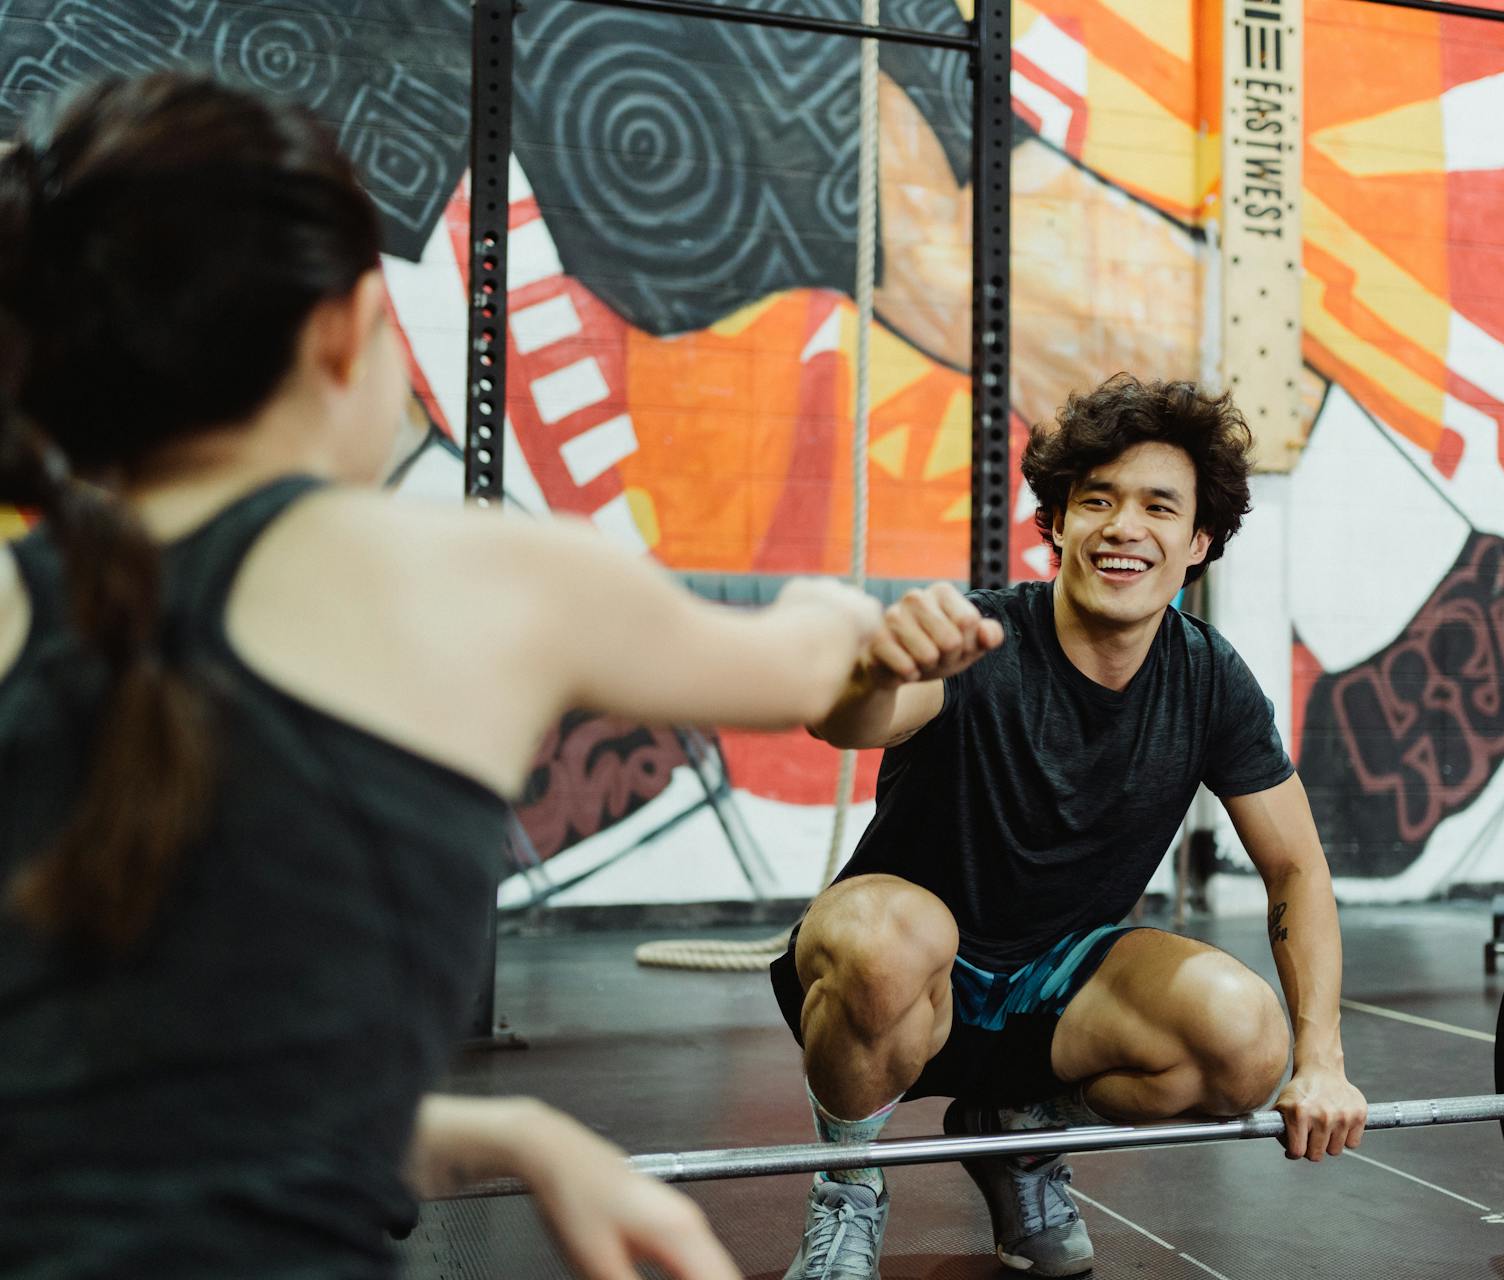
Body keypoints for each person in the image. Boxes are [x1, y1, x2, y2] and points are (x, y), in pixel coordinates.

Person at [0, 73, 882, 1279]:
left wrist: (495, 1128)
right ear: (342, 330)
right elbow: (804, 666)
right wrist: (832, 604)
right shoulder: (486, 574)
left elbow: (131, 1087)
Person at [771, 374, 1369, 1279]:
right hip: (896, 982)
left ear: (1199, 539)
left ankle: (1020, 1130)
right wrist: (878, 669)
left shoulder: (1207, 679)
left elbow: (1296, 869)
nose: (1125, 527)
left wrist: (1321, 1060)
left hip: (1056, 995)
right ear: (1056, 524)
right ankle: (849, 1185)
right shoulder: (980, 636)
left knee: (1247, 1040)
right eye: (1098, 500)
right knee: (892, 935)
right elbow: (850, 723)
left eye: (1159, 507)